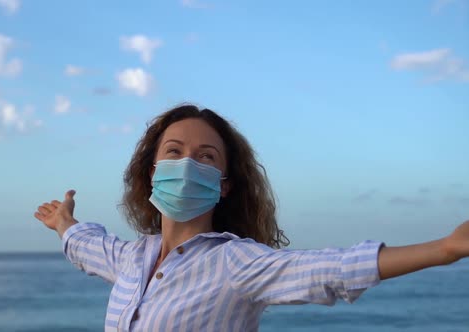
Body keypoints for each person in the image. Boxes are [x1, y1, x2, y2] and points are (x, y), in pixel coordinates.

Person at [34, 104, 469, 332]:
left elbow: (328, 270)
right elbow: (90, 247)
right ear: (152, 171)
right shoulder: (133, 259)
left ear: (223, 184)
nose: (187, 165)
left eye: (205, 157)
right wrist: (64, 224)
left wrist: (445, 249)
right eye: (174, 152)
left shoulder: (235, 263)